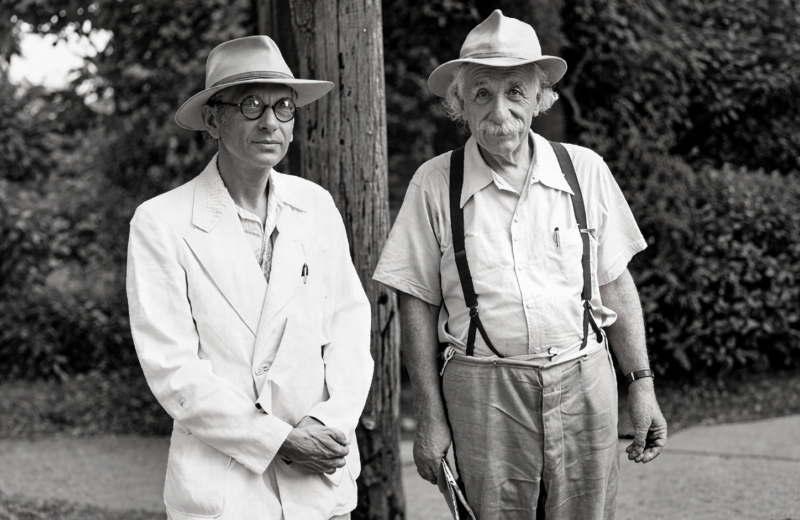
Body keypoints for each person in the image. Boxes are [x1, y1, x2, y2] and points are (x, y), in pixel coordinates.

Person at [373, 10, 667, 519]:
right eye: (482, 92)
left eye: (515, 91)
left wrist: (640, 383)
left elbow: (615, 282)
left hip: (585, 381)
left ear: (540, 98)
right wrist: (429, 416)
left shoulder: (585, 169)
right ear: (459, 103)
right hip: (483, 390)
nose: (500, 109)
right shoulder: (434, 182)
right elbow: (415, 303)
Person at [126, 36, 373, 520]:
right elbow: (172, 368)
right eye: (252, 104)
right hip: (223, 488)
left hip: (319, 478)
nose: (270, 122)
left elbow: (349, 324)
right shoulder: (161, 221)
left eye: (284, 108)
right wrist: (278, 440)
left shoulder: (316, 205)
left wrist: (328, 424)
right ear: (214, 120)